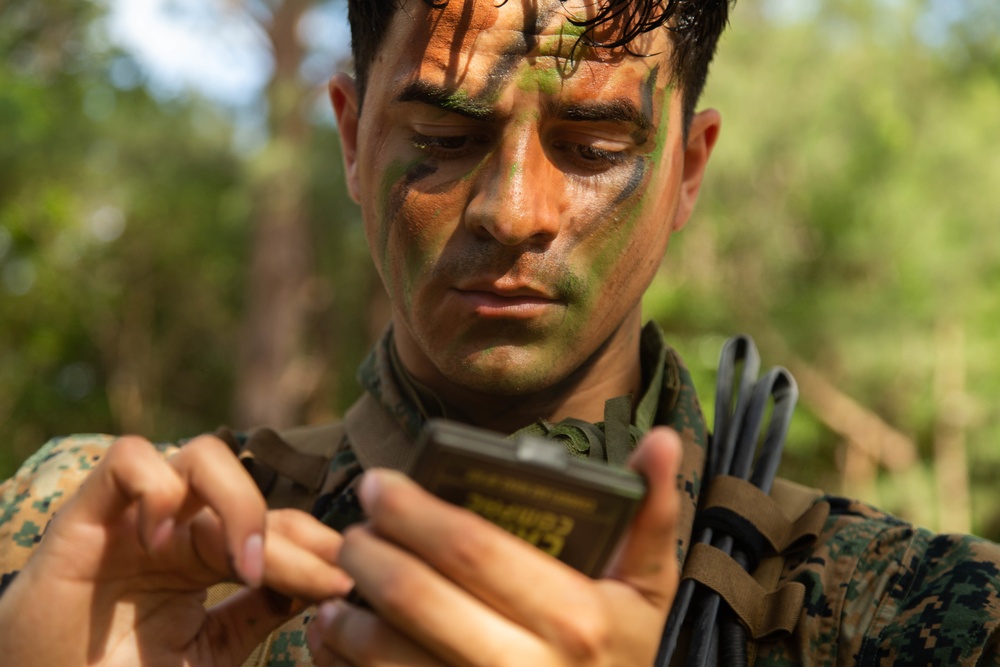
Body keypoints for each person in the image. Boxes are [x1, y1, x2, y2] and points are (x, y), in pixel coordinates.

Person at [1, 0, 999, 665]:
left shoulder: (915, 610)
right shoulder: (101, 541)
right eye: (442, 141)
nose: (513, 208)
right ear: (351, 141)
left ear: (690, 169)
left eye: (596, 147)